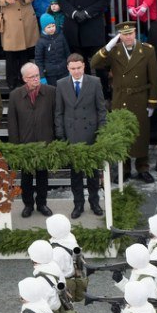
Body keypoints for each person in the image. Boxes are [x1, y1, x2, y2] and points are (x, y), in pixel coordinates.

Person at [91, 21, 157, 181]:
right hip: (121, 99)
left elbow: (154, 78)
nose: (128, 37)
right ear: (120, 36)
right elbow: (94, 63)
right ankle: (125, 169)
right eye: (124, 34)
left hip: (140, 97)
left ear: (135, 33)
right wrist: (108, 46)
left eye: (130, 33)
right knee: (122, 134)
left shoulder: (147, 50)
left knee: (141, 134)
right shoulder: (114, 51)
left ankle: (143, 168)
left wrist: (152, 102)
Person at [55, 54, 106, 217]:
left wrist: (101, 132)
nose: (76, 71)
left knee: (92, 173)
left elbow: (101, 109)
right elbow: (59, 112)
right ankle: (78, 205)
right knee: (75, 174)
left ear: (84, 66)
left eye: (79, 68)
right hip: (72, 135)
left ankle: (95, 202)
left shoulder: (95, 82)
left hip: (91, 134)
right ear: (68, 69)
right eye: (73, 69)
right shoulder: (61, 84)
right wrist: (61, 135)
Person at [7, 62, 55, 218]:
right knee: (26, 178)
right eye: (32, 77)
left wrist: (54, 141)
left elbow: (56, 117)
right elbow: (12, 123)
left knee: (43, 176)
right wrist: (16, 147)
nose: (36, 79)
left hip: (44, 142)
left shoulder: (51, 92)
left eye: (37, 75)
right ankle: (28, 205)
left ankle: (42, 204)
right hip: (24, 144)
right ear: (24, 79)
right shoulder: (15, 95)